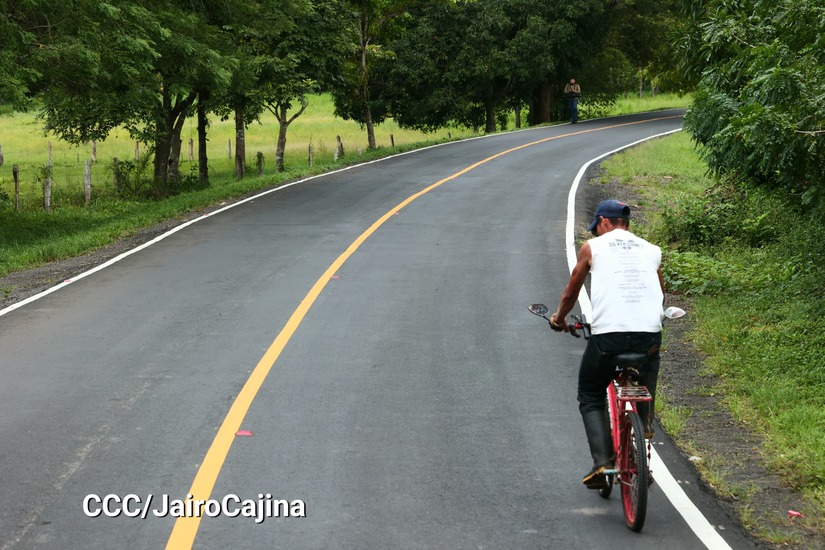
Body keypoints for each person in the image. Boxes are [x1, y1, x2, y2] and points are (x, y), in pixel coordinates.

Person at [548, 199, 664, 489]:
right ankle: (645, 422)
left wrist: (558, 319)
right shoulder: (652, 250)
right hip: (648, 335)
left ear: (603, 222)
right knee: (649, 364)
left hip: (608, 338)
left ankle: (602, 463)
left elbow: (571, 292)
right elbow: (660, 296)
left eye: (596, 228)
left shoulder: (593, 248)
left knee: (590, 393)